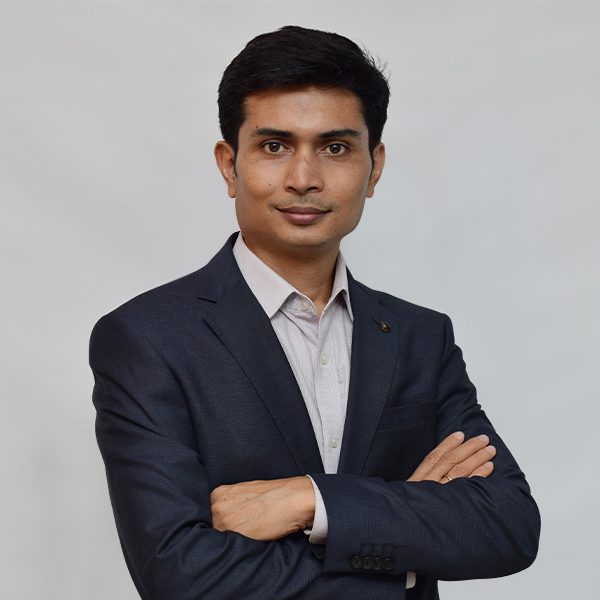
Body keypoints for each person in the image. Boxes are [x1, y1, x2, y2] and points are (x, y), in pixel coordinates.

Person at [90, 25, 540, 599]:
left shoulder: (420, 337)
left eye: (335, 148)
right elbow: (181, 576)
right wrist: (403, 554)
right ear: (229, 165)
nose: (303, 179)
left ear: (374, 168)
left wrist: (309, 499)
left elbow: (508, 525)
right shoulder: (148, 338)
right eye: (274, 146)